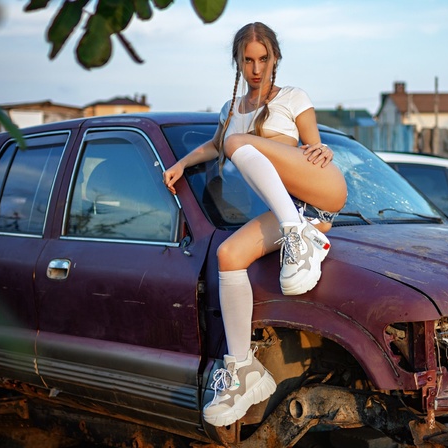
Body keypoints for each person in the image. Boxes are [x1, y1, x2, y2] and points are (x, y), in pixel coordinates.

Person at [162, 22, 347, 427]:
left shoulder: (294, 97)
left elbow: (313, 146)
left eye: (263, 59)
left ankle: (301, 238)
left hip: (319, 194)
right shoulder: (232, 112)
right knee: (228, 256)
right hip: (290, 213)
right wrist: (181, 163)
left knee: (237, 143)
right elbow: (215, 146)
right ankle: (243, 369)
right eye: (248, 60)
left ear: (275, 58)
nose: (256, 68)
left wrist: (323, 148)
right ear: (238, 63)